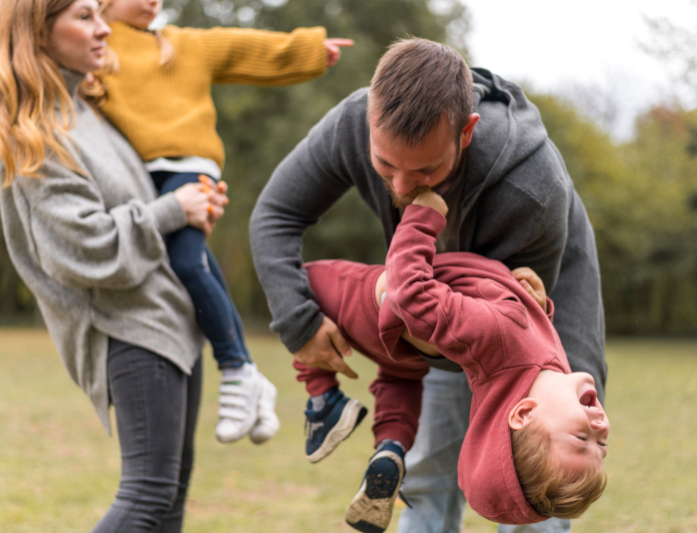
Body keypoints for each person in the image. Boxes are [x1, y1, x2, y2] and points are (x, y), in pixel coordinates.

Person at [250, 38, 607, 533]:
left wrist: (389, 305)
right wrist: (299, 322)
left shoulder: (531, 185)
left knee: (531, 502)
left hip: (542, 328)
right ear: (369, 118)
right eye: (384, 165)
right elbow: (275, 214)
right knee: (427, 478)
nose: (400, 187)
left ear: (467, 133)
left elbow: (497, 327)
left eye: (424, 170)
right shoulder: (353, 124)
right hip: (442, 296)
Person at [0, 0, 227, 530]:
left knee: (169, 501)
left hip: (172, 322)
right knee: (147, 497)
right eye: (84, 16)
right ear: (37, 33)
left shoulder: (87, 111)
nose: (104, 27)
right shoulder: (34, 134)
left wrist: (191, 205)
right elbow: (87, 249)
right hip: (128, 330)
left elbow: (140, 203)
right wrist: (173, 210)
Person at [95, 0, 353, 443]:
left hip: (190, 169)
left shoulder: (181, 44)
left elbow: (244, 49)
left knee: (187, 264)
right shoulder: (99, 49)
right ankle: (252, 375)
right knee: (194, 261)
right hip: (140, 178)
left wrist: (309, 50)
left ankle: (234, 366)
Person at [296, 190, 609, 532]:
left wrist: (420, 219)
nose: (601, 427)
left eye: (583, 438)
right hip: (402, 342)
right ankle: (388, 439)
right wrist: (535, 301)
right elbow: (530, 332)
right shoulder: (549, 374)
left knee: (303, 289)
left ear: (524, 412)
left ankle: (324, 395)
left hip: (372, 304)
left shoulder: (496, 335)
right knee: (397, 379)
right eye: (603, 444)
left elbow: (411, 296)